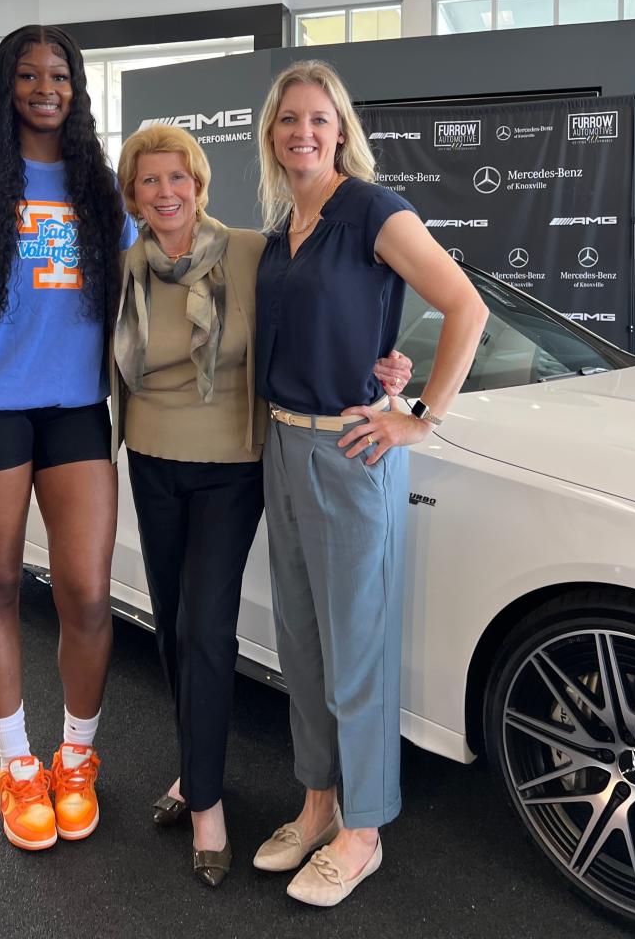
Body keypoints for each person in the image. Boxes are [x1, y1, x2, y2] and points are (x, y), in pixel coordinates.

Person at [111, 124, 411, 887]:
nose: (166, 193)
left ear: (201, 184)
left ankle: (209, 804)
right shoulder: (125, 270)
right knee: (173, 623)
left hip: (233, 465)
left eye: (179, 178)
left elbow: (328, 309)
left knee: (209, 624)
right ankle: (193, 769)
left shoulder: (253, 251)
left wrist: (392, 372)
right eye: (149, 182)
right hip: (151, 461)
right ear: (131, 195)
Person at [253, 60, 488, 908]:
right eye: (288, 120)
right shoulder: (287, 224)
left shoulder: (372, 210)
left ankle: (365, 826)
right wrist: (381, 360)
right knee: (303, 646)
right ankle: (318, 801)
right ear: (271, 134)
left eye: (318, 119)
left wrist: (420, 412)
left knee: (357, 652)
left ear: (341, 129)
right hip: (282, 447)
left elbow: (466, 305)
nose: (302, 132)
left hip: (351, 456)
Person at [0, 24, 134, 853]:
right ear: (6, 86)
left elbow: (157, 280)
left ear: (77, 91)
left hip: (77, 408)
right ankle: (16, 765)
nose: (47, 88)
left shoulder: (99, 188)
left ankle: (76, 759)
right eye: (30, 75)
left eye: (62, 76)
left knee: (84, 592)